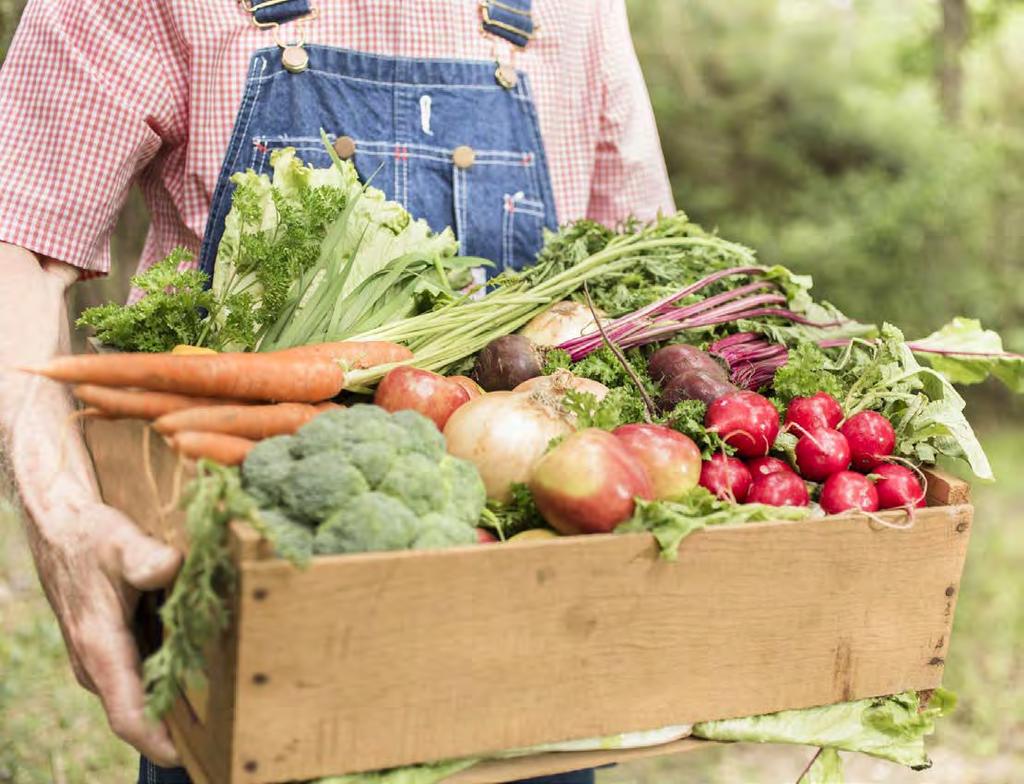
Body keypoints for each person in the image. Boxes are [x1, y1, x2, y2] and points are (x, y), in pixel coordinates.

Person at [0, 2, 673, 782]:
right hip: (246, 619)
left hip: (521, 649)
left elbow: (634, 270)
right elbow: (15, 240)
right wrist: (62, 515)